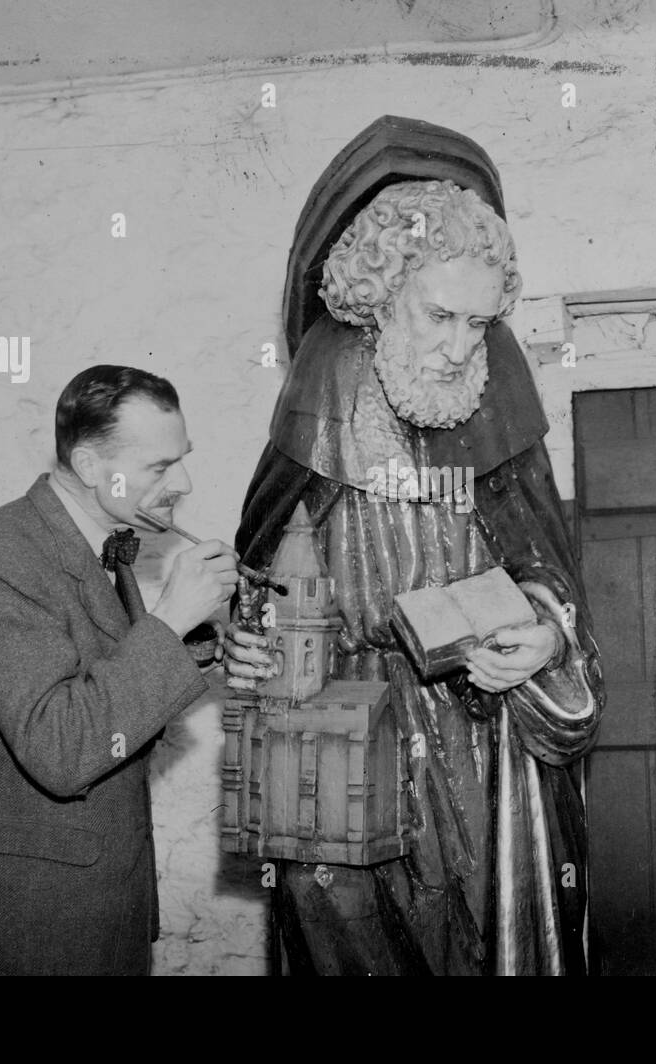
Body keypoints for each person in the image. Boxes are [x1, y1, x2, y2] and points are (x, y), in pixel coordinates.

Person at [225, 119, 604, 976]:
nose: (459, 345)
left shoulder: (495, 385)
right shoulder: (325, 384)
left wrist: (545, 632)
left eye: (479, 323)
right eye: (440, 315)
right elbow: (257, 568)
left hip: (480, 735)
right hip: (336, 726)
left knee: (472, 939)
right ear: (381, 293)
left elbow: (550, 570)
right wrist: (246, 631)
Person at [0, 365, 238, 975]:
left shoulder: (99, 543)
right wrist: (171, 617)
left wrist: (212, 647)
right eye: (159, 467)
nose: (183, 482)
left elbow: (99, 675)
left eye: (183, 459)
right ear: (93, 466)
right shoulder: (1, 556)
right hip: (31, 926)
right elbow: (60, 747)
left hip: (98, 906)